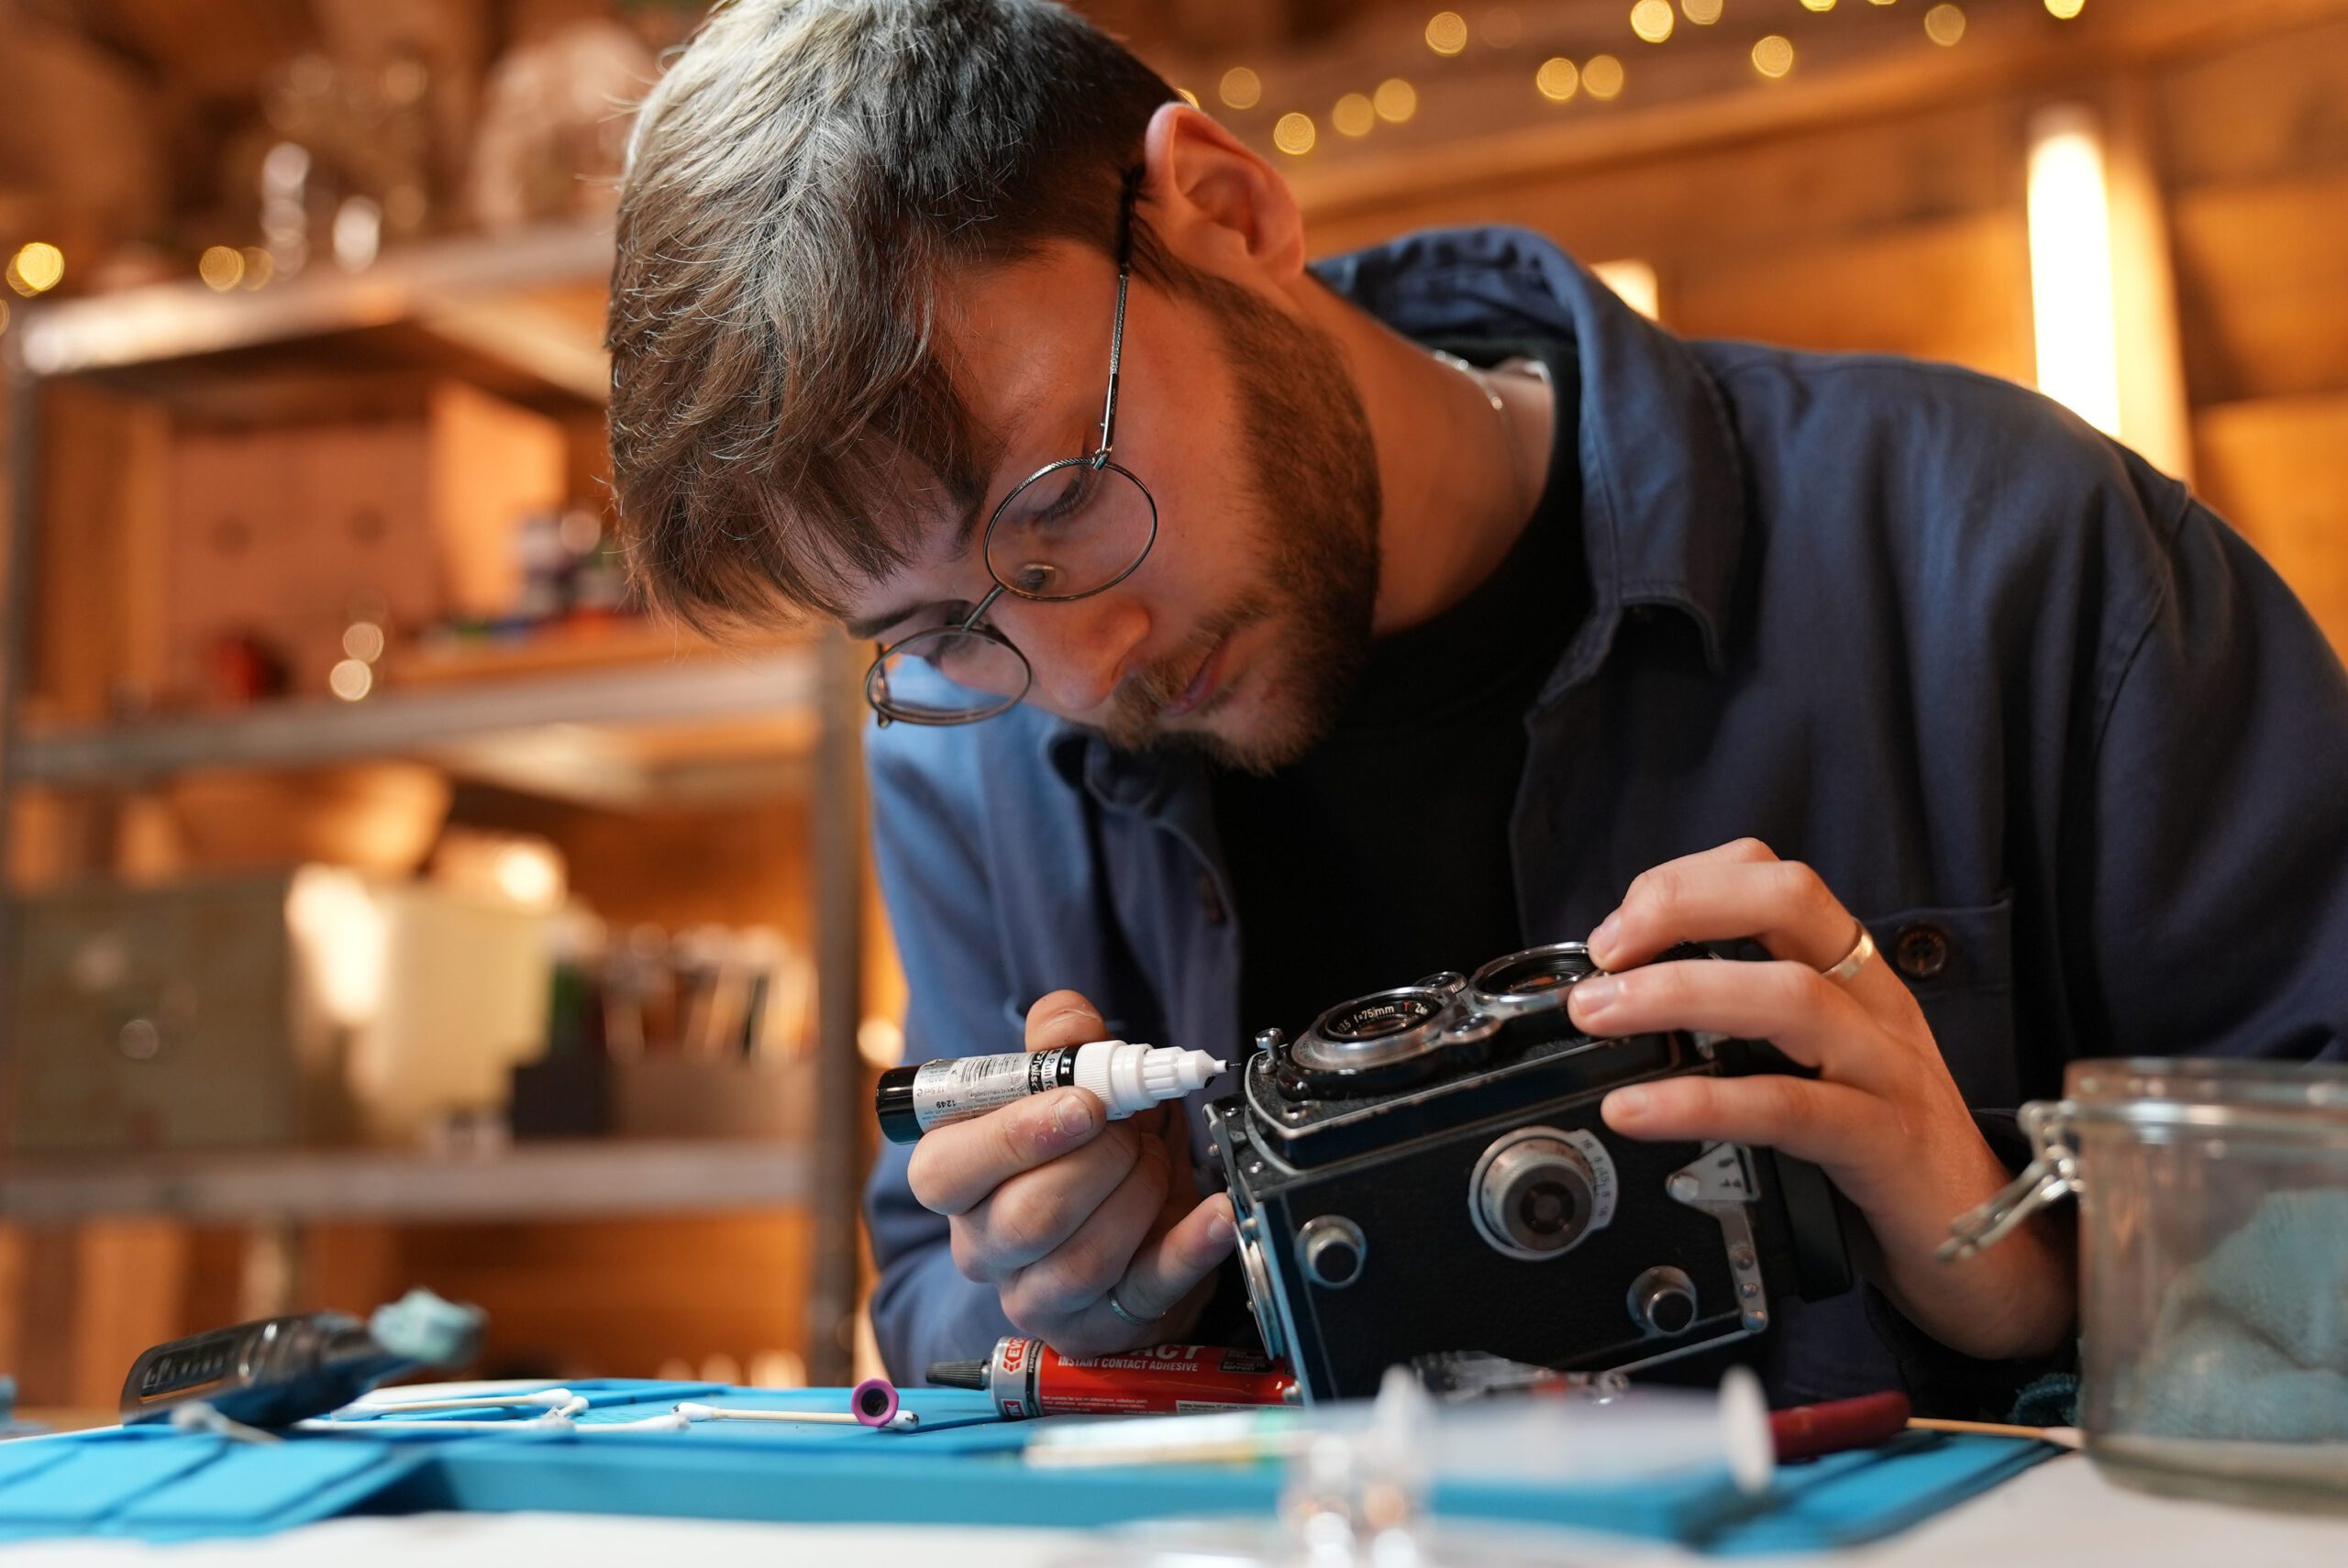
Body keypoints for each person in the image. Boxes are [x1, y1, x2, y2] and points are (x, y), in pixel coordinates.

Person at [604, 0, 2348, 1415]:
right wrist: (1070, 1301)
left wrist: (2027, 1268)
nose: (1079, 670)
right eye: (942, 628)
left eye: (1060, 504)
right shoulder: (976, 768)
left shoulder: (2007, 557)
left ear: (1226, 210)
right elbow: (930, 1294)